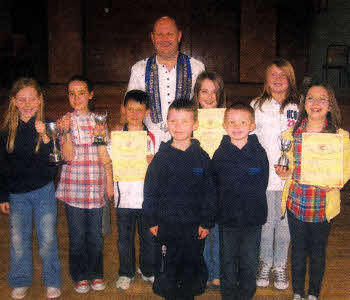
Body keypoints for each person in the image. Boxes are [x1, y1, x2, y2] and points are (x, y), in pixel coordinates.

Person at [275, 83, 350, 300]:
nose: (316, 103)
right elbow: (288, 167)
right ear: (303, 104)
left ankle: (314, 293)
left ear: (330, 106)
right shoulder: (290, 134)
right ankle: (298, 291)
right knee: (298, 250)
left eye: (322, 99)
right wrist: (283, 171)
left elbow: (345, 167)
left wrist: (337, 182)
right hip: (296, 203)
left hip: (322, 206)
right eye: (311, 98)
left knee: (317, 251)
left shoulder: (340, 136)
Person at [143, 100, 216, 300]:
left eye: (185, 121)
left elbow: (210, 193)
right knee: (168, 266)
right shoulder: (161, 159)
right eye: (173, 121)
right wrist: (151, 220)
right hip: (167, 225)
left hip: (194, 226)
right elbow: (150, 191)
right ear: (167, 123)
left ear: (195, 125)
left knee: (191, 264)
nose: (178, 126)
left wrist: (206, 222)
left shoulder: (202, 158)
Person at [0, 77, 61, 299]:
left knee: (47, 239)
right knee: (18, 240)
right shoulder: (7, 130)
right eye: (22, 99)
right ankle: (20, 279)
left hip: (43, 191)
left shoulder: (48, 125)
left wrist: (45, 136)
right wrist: (2, 195)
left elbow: (55, 162)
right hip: (17, 195)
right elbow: (2, 166)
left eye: (32, 99)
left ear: (39, 100)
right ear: (14, 101)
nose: (27, 104)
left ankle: (52, 280)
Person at [55, 75, 113, 294]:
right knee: (77, 237)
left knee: (96, 238)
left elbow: (105, 157)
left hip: (96, 188)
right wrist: (66, 131)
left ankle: (96, 273)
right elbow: (68, 156)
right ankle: (79, 275)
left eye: (81, 93)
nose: (76, 97)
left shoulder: (100, 121)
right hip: (74, 190)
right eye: (71, 93)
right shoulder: (63, 122)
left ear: (90, 94)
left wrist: (108, 184)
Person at [212, 103, 269, 300]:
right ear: (224, 126)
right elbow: (215, 184)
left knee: (249, 261)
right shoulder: (219, 155)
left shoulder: (259, 153)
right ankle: (228, 295)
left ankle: (246, 295)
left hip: (252, 219)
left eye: (242, 122)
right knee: (227, 260)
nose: (237, 127)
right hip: (227, 219)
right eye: (232, 122)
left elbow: (263, 182)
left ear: (252, 126)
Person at [251, 58, 299, 290]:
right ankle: (265, 263)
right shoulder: (256, 106)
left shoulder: (300, 107)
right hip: (265, 179)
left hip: (291, 180)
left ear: (291, 79)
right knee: (265, 225)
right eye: (273, 75)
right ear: (266, 80)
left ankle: (280, 265)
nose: (278, 79)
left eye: (283, 75)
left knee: (285, 227)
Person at [103, 90, 157, 290]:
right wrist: (109, 184)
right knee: (124, 239)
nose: (134, 114)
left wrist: (152, 162)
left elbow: (155, 168)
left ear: (147, 112)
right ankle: (126, 272)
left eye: (140, 110)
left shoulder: (150, 137)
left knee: (148, 237)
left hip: (146, 198)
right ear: (123, 109)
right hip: (123, 197)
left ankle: (148, 269)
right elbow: (107, 161)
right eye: (130, 109)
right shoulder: (116, 136)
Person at [127, 16, 205, 151]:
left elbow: (205, 108)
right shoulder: (139, 69)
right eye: (160, 35)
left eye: (169, 34)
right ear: (152, 37)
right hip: (149, 144)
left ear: (179, 36)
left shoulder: (197, 68)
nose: (164, 39)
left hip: (186, 143)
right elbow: (128, 109)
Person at [192, 70, 225, 289]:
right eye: (204, 91)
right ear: (197, 93)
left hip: (222, 183)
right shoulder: (190, 119)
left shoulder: (228, 119)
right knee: (200, 230)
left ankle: (218, 272)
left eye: (214, 92)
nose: (209, 97)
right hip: (198, 183)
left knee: (220, 230)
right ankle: (202, 270)